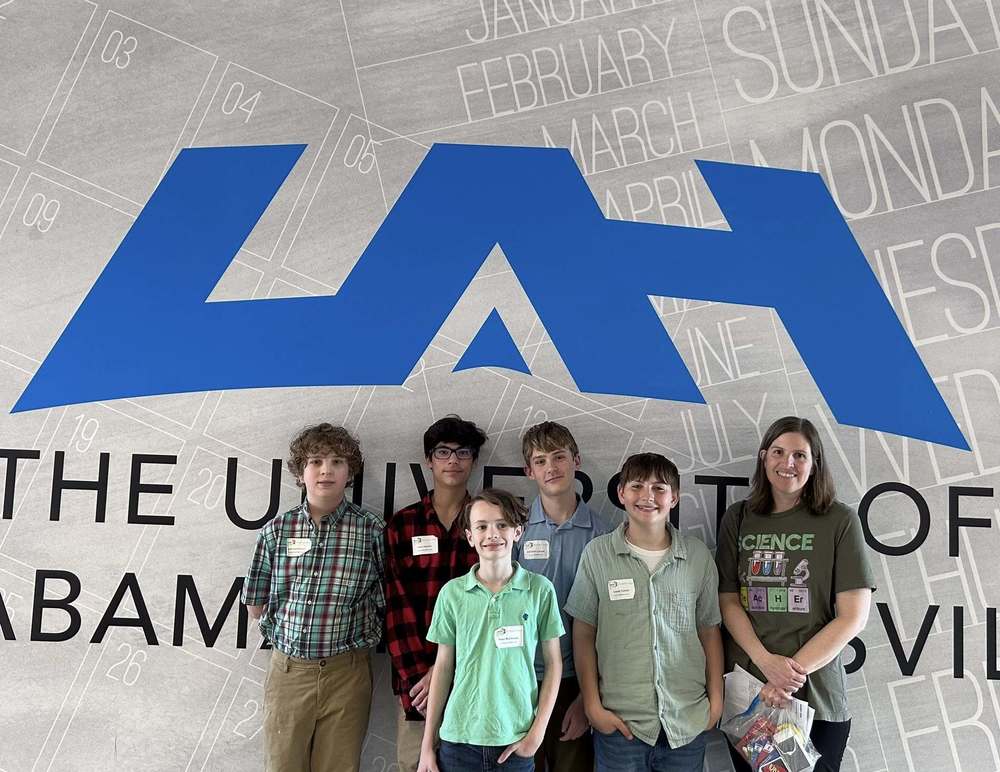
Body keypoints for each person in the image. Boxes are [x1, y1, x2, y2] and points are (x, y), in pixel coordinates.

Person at [715, 416, 875, 772]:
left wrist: (788, 676)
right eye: (778, 452)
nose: (788, 463)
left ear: (815, 463)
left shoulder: (839, 520)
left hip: (816, 699)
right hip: (752, 698)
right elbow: (728, 600)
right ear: (763, 458)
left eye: (800, 455)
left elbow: (854, 616)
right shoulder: (739, 518)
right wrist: (765, 663)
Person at [566, 452, 723, 771]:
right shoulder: (597, 555)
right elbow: (583, 633)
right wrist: (593, 706)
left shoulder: (697, 557)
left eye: (660, 488)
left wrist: (716, 703)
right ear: (621, 493)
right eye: (636, 486)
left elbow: (709, 630)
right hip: (621, 727)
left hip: (686, 725)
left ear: (675, 498)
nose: (647, 496)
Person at [241, 423, 385, 772]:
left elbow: (385, 600)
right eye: (316, 461)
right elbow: (255, 602)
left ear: (350, 471)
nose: (326, 470)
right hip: (289, 671)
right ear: (300, 472)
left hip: (347, 674)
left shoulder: (372, 530)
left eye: (337, 461)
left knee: (339, 766)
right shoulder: (277, 530)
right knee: (283, 766)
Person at [417, 489, 565, 772]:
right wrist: (427, 745)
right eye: (482, 527)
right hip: (458, 741)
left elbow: (554, 664)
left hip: (515, 740)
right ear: (470, 536)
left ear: (518, 531)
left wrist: (537, 734)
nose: (492, 534)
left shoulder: (540, 591)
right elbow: (443, 666)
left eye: (502, 525)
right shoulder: (452, 594)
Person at [384, 415, 488, 772]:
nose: (453, 461)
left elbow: (492, 608)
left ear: (474, 460)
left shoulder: (489, 524)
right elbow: (396, 608)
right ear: (429, 460)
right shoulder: (403, 524)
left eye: (463, 452)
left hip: (474, 681)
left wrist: (450, 670)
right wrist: (422, 679)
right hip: (418, 693)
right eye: (443, 452)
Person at [513, 421, 613, 771]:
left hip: (575, 680)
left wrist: (588, 696)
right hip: (518, 677)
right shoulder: (515, 530)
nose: (551, 467)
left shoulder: (604, 535)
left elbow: (611, 625)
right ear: (529, 471)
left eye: (559, 457)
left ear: (577, 461)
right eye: (540, 461)